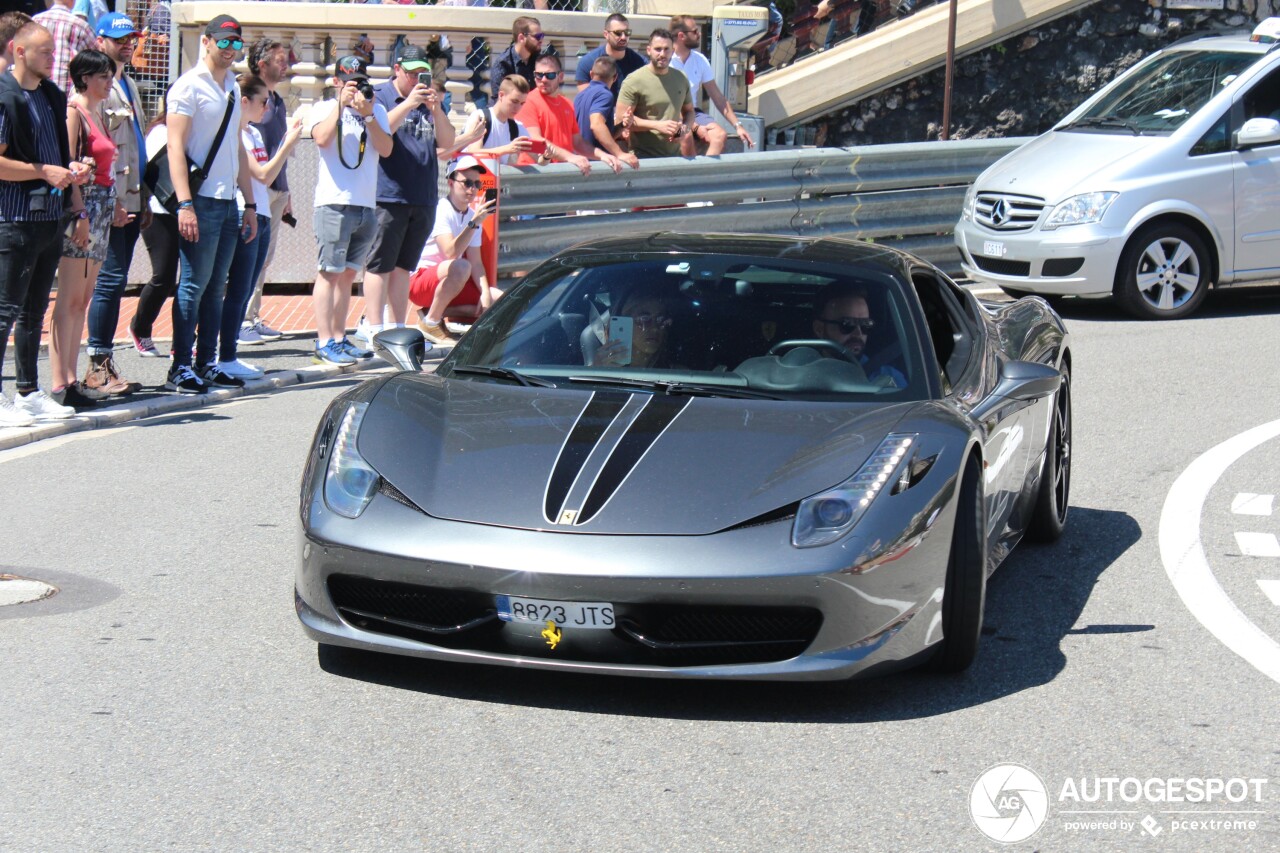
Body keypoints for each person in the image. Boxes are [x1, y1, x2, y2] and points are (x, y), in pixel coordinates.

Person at [0, 21, 88, 426]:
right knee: (6, 310)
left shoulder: (51, 95)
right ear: (18, 51)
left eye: (53, 52)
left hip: (49, 218)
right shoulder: (6, 97)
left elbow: (54, 155)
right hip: (14, 217)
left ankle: (28, 391)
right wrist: (44, 172)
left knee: (35, 310)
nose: (52, 59)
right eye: (44, 52)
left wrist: (69, 172)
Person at [165, 14, 259, 394]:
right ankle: (180, 366)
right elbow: (175, 147)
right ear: (206, 42)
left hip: (227, 200)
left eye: (236, 44)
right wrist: (184, 203)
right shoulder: (188, 87)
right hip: (199, 199)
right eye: (224, 42)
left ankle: (206, 362)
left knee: (216, 285)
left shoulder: (233, 88)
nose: (230, 50)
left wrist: (250, 203)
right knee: (193, 285)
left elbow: (236, 145)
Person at [358, 44, 461, 344]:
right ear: (397, 70)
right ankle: (375, 326)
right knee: (380, 264)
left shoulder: (428, 101)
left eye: (423, 74)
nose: (418, 80)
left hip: (423, 195)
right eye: (413, 73)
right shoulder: (381, 96)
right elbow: (379, 131)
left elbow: (446, 142)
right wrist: (407, 103)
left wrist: (436, 108)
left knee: (403, 266)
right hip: (389, 194)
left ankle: (397, 326)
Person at [49, 48, 128, 408]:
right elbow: (67, 167)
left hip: (100, 210)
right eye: (102, 76)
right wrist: (79, 212)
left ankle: (71, 376)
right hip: (82, 210)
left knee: (82, 299)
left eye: (110, 76)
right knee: (69, 298)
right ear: (84, 78)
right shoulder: (73, 112)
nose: (109, 82)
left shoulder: (96, 112)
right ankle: (59, 380)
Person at [307, 54, 393, 366]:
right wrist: (341, 106)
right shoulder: (323, 108)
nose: (355, 88)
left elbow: (386, 149)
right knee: (328, 273)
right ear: (336, 82)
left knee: (347, 276)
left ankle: (340, 338)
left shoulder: (376, 109)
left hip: (365, 203)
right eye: (348, 82)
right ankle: (324, 340)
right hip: (333, 201)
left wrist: (368, 115)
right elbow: (321, 138)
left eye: (359, 81)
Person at [218, 74, 302, 381]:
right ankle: (223, 354)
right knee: (237, 287)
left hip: (262, 213)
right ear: (245, 101)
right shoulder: (236, 134)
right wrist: (288, 144)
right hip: (245, 212)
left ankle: (228, 354)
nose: (268, 107)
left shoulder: (251, 133)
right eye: (262, 101)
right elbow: (262, 175)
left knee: (245, 286)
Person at [83, 12, 150, 398]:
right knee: (108, 282)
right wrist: (114, 201)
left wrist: (140, 199)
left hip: (131, 198)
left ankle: (104, 363)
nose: (128, 44)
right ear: (101, 40)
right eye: (119, 38)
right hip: (110, 201)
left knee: (116, 280)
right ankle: (97, 364)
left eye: (132, 38)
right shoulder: (100, 86)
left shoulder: (127, 83)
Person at [408, 155, 498, 347]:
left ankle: (433, 313)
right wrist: (474, 224)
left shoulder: (473, 217)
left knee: (497, 299)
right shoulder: (441, 209)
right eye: (466, 183)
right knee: (460, 266)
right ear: (450, 183)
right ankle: (431, 322)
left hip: (450, 279)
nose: (472, 189)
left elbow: (477, 263)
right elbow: (450, 251)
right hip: (420, 280)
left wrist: (485, 295)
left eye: (476, 184)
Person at [237, 36, 293, 347]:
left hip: (275, 189)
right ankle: (240, 320)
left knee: (263, 260)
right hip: (253, 191)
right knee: (248, 259)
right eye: (279, 59)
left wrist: (286, 190)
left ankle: (251, 317)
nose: (285, 64)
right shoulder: (251, 99)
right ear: (261, 64)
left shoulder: (278, 101)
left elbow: (278, 150)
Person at [516, 54, 621, 175]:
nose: (543, 80)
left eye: (549, 75)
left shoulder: (567, 104)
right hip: (535, 173)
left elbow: (578, 142)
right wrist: (570, 157)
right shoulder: (528, 101)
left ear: (560, 76)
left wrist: (603, 155)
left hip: (561, 173)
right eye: (539, 75)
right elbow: (535, 141)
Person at [129, 98, 176, 359]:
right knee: (164, 276)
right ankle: (140, 326)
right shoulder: (160, 132)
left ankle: (182, 341)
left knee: (190, 281)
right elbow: (158, 172)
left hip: (187, 211)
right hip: (159, 211)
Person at [669, 15, 755, 155]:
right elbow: (670, 105)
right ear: (681, 36)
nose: (700, 34)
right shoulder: (666, 61)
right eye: (695, 31)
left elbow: (717, 96)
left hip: (693, 112)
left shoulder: (700, 60)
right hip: (671, 114)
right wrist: (696, 128)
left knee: (720, 135)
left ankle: (702, 174)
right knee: (685, 136)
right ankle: (687, 175)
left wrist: (738, 126)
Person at [615, 29, 694, 160]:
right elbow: (620, 121)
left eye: (666, 49)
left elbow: (690, 112)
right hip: (643, 159)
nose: (662, 54)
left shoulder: (681, 78)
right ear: (648, 50)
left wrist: (683, 130)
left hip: (675, 158)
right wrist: (656, 125)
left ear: (673, 51)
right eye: (658, 49)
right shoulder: (634, 80)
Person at [812, 285, 907, 388]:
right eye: (847, 325)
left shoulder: (890, 379)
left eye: (866, 325)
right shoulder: (799, 374)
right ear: (819, 329)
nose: (858, 333)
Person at [590, 284, 676, 368]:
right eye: (644, 319)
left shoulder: (679, 376)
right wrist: (596, 371)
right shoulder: (602, 368)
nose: (654, 328)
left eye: (660, 320)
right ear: (624, 323)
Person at [574, 57, 639, 168]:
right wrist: (619, 153)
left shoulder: (580, 96)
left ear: (591, 74)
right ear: (615, 77)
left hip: (580, 162)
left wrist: (622, 125)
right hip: (595, 165)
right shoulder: (604, 94)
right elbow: (596, 125)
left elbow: (599, 134)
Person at [462, 74, 533, 166]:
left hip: (495, 179)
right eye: (514, 101)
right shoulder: (480, 117)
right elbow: (474, 152)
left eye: (522, 103)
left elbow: (538, 158)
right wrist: (507, 149)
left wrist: (545, 157)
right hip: (469, 178)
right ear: (501, 95)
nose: (518, 108)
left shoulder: (517, 127)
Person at [574, 13, 647, 96]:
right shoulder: (588, 62)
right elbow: (586, 100)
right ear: (606, 34)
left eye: (627, 32)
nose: (623, 37)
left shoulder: (641, 63)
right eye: (618, 33)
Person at [33, 0, 93, 94]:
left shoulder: (35, 21)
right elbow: (97, 60)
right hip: (67, 94)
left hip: (37, 91)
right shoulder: (81, 26)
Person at [489, 16, 548, 102]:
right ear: (521, 38)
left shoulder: (540, 60)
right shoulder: (503, 64)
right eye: (537, 36)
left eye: (542, 35)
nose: (541, 40)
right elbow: (499, 100)